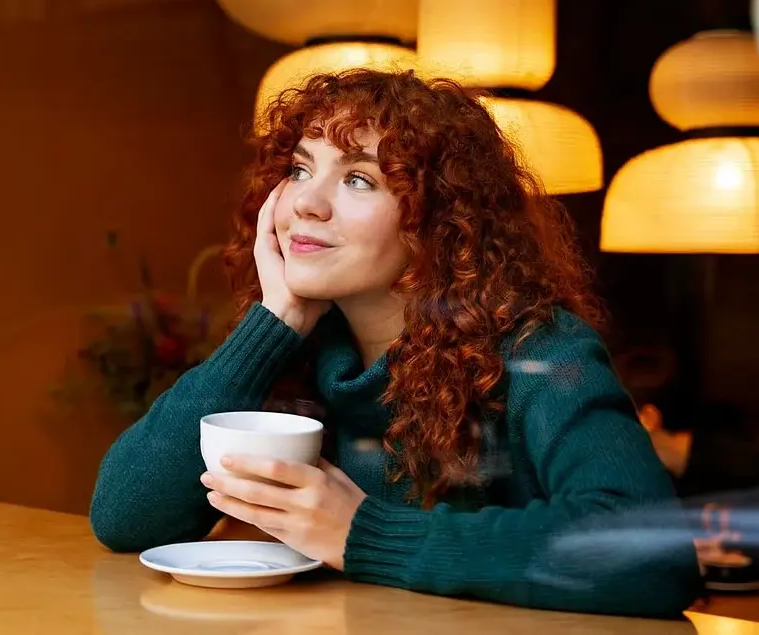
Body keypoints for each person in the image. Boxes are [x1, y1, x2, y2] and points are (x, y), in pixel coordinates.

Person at [89, 69, 702, 618]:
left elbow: (650, 555)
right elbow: (124, 517)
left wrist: (363, 534)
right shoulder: (298, 347)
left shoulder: (541, 351)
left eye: (358, 178)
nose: (306, 202)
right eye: (301, 169)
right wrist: (276, 319)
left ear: (439, 221)